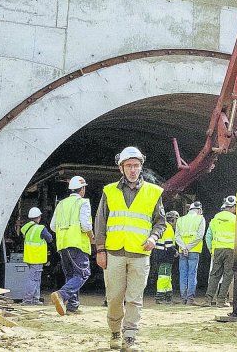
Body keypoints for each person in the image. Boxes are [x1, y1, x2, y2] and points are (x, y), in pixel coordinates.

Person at [94, 146, 167, 352]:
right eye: (128, 166)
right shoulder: (109, 191)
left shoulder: (153, 193)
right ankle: (115, 332)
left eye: (136, 165)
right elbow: (100, 222)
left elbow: (161, 222)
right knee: (115, 297)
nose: (132, 169)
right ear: (121, 168)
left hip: (140, 254)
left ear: (141, 167)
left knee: (135, 298)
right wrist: (100, 250)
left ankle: (130, 337)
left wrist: (153, 237)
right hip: (114, 252)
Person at [50, 175, 94, 316]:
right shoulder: (83, 203)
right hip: (77, 243)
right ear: (82, 189)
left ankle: (72, 307)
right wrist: (91, 237)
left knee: (71, 275)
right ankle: (62, 295)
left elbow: (52, 226)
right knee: (83, 273)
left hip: (62, 244)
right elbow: (85, 225)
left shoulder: (61, 204)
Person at [204, 196, 237, 307]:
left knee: (214, 275)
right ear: (233, 207)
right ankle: (221, 301)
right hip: (231, 250)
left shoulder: (216, 218)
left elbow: (208, 236)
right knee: (228, 275)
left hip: (217, 250)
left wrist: (211, 250)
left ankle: (208, 300)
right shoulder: (235, 219)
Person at [20, 207, 54, 305]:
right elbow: (50, 238)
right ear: (39, 217)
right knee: (33, 279)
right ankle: (27, 300)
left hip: (29, 257)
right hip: (37, 257)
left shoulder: (25, 228)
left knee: (36, 278)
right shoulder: (40, 228)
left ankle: (35, 299)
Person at [176, 201, 206, 305]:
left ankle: (183, 298)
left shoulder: (180, 219)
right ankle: (190, 299)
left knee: (183, 274)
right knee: (192, 274)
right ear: (199, 210)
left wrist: (184, 247)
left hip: (182, 250)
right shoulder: (200, 219)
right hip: (194, 250)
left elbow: (177, 236)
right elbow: (199, 236)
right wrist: (188, 247)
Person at [153, 211, 179, 304]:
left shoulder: (163, 226)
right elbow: (168, 245)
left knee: (167, 277)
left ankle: (169, 297)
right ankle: (159, 297)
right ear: (173, 219)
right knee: (163, 277)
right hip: (165, 256)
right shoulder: (168, 228)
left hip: (159, 254)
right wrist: (175, 252)